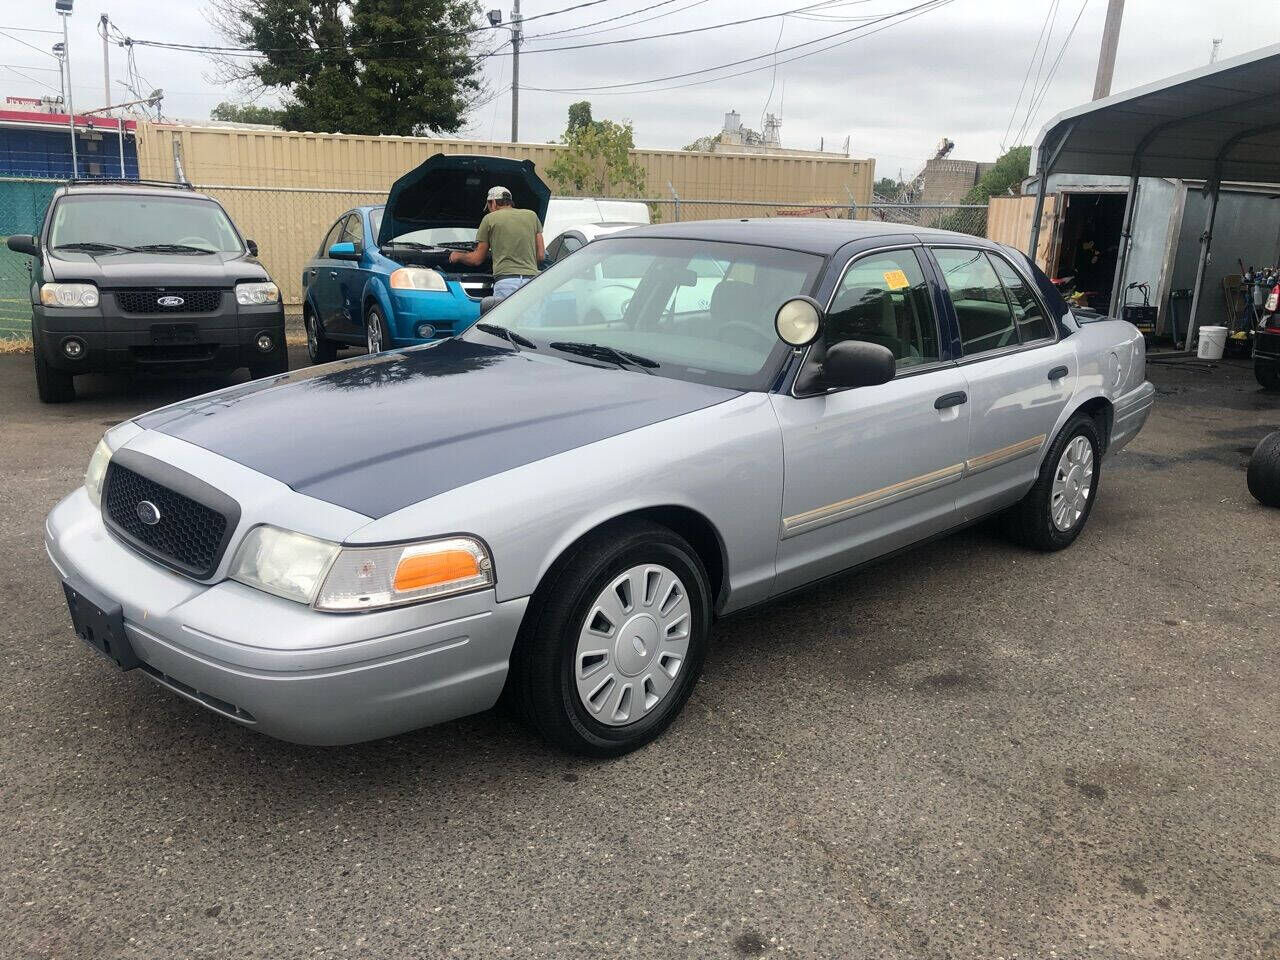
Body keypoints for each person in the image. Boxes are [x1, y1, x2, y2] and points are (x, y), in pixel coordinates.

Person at [449, 186, 544, 301]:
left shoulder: (490, 219)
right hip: (531, 282)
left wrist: (457, 256)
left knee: (506, 318)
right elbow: (540, 256)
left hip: (506, 283)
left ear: (493, 202)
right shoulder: (532, 216)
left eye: (488, 206)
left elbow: (476, 259)